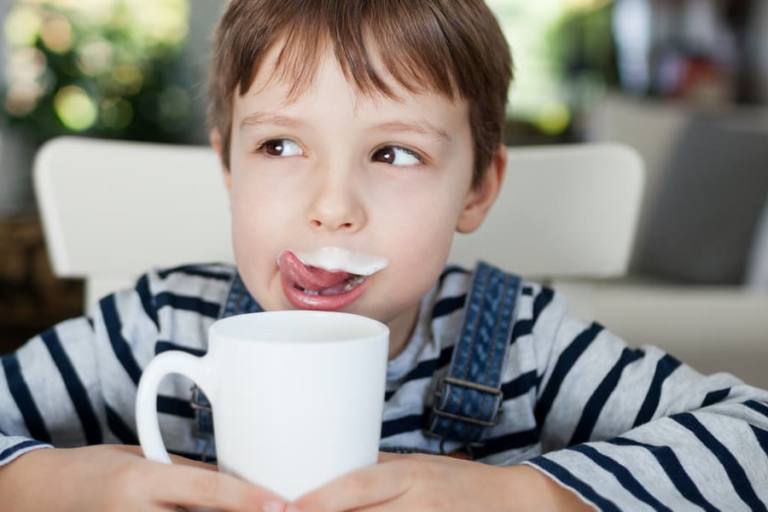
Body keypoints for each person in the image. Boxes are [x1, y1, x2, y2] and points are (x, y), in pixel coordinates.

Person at [1, 1, 767, 510]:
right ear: (229, 169)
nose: (332, 206)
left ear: (475, 189)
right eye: (279, 144)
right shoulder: (156, 325)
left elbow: (754, 435)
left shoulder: (523, 341)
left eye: (395, 154)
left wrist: (520, 497)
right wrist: (47, 482)